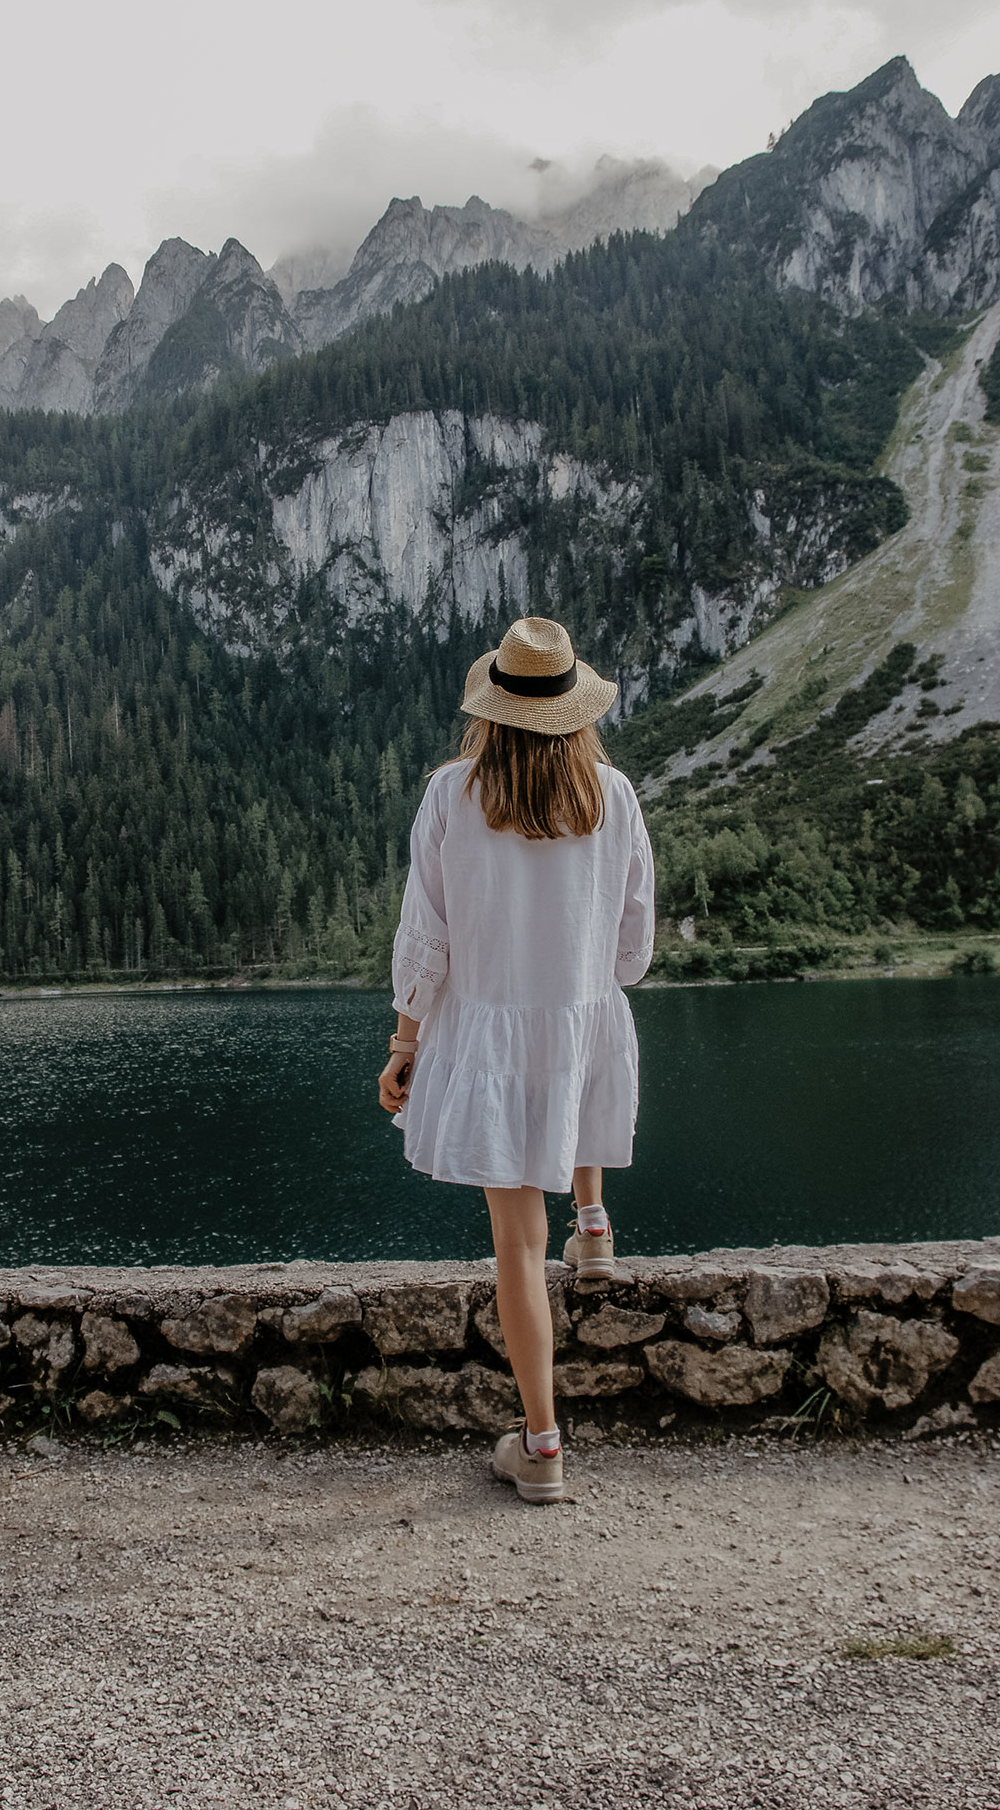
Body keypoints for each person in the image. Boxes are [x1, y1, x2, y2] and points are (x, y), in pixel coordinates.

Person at [377, 616, 655, 1503]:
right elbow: (632, 947)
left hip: (488, 1033)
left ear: (491, 707)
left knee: (517, 1251)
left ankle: (541, 1446)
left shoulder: (451, 795)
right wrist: (576, 978)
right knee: (566, 1078)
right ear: (575, 709)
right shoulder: (613, 795)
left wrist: (405, 1044)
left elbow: (427, 937)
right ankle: (598, 1224)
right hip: (580, 1017)